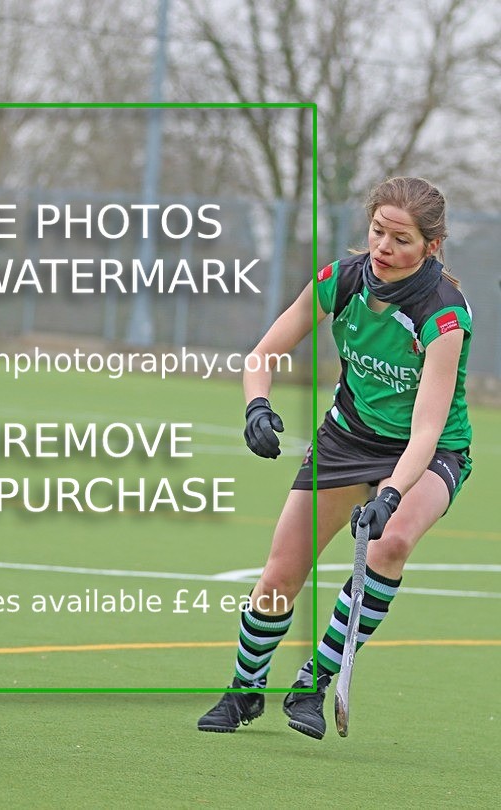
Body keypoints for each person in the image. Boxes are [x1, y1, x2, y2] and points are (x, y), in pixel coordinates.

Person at [197, 176, 473, 739]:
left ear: (432, 247)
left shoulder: (444, 314)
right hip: (348, 439)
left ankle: (313, 681)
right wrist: (257, 406)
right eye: (377, 232)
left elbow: (427, 426)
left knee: (390, 541)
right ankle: (244, 690)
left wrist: (391, 493)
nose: (383, 249)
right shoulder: (340, 281)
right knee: (280, 574)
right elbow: (264, 353)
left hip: (431, 448)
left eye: (401, 240)